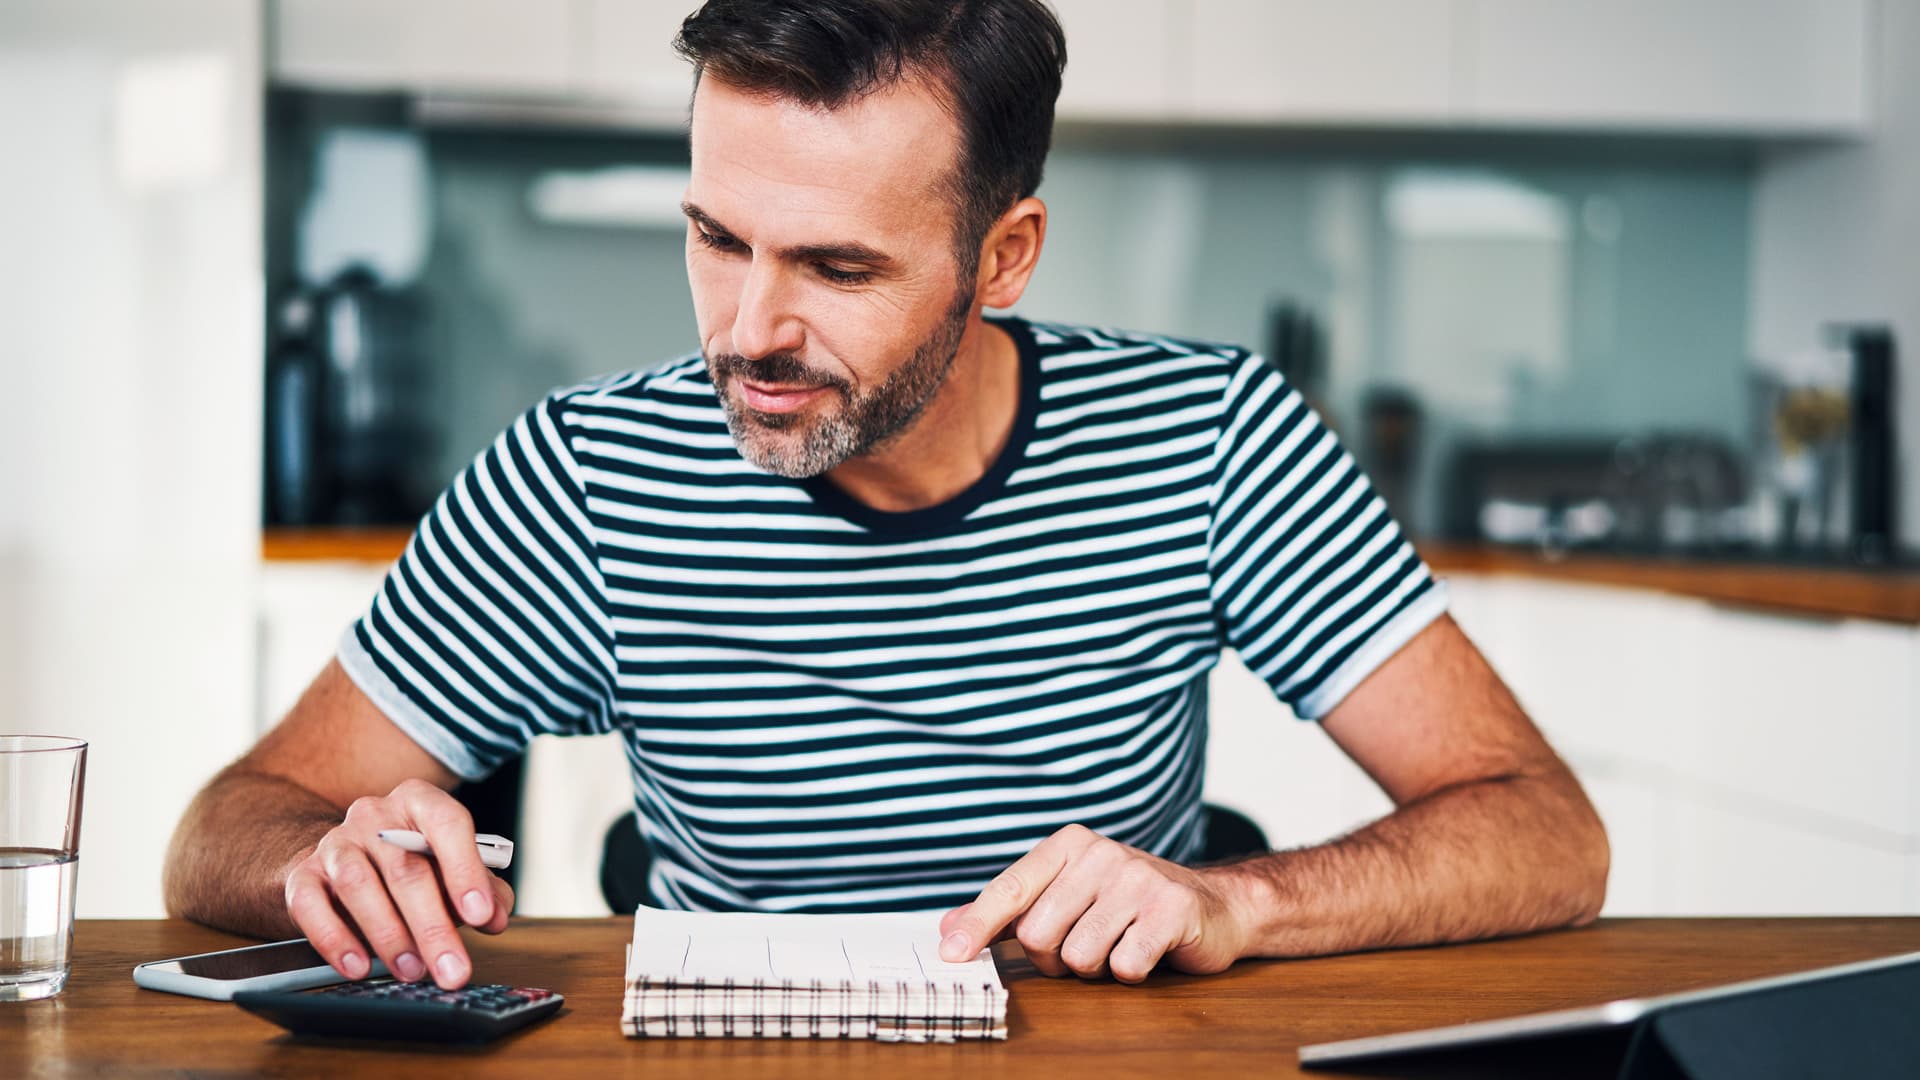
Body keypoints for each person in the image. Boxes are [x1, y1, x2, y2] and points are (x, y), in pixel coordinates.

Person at [165, 0, 1607, 993]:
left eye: (837, 267)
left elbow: (1544, 828)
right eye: (719, 239)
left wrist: (1242, 901)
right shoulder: (586, 477)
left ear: (1006, 254)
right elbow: (224, 826)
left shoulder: (1210, 438)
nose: (748, 331)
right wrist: (323, 860)